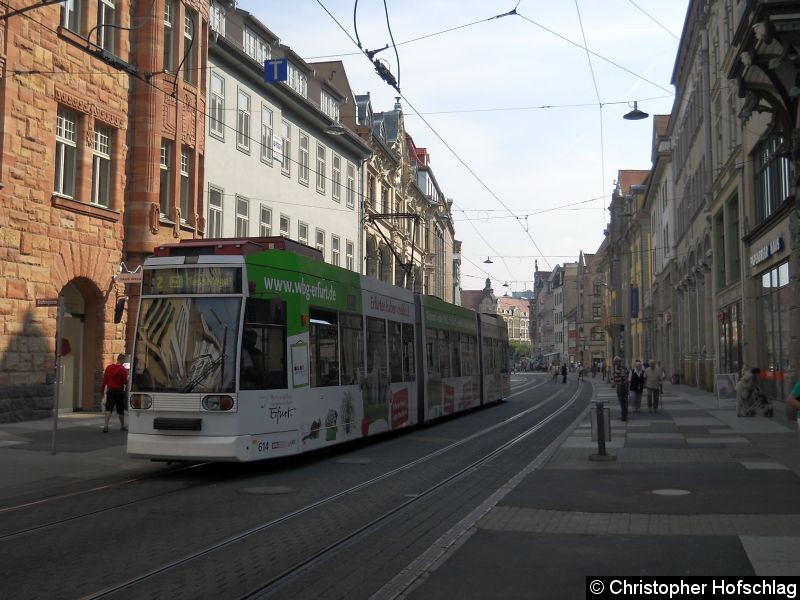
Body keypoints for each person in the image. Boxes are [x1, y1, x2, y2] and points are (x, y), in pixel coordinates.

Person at [102, 353, 128, 433]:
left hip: (110, 391)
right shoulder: (123, 370)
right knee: (120, 410)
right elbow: (125, 382)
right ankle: (122, 426)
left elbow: (104, 381)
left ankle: (106, 425)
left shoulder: (109, 368)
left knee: (108, 409)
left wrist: (102, 393)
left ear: (117, 359)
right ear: (122, 360)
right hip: (119, 392)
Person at [612, 356, 629, 421]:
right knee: (623, 401)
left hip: (621, 387)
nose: (614, 362)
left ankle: (623, 416)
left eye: (615, 361)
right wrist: (615, 383)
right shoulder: (618, 367)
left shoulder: (622, 368)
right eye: (614, 361)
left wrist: (625, 387)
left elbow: (624, 378)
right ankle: (624, 414)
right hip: (619, 385)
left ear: (618, 361)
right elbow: (617, 376)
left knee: (622, 401)